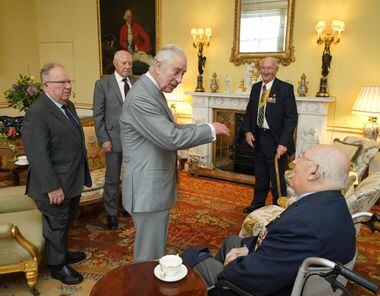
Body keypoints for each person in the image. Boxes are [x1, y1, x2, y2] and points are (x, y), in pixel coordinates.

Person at [181, 144, 356, 296]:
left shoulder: (303, 223)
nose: (294, 162)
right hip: (284, 271)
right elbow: (281, 247)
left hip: (265, 288)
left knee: (194, 256)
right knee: (232, 243)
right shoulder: (332, 202)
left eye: (302, 157)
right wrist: (247, 249)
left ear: (314, 171)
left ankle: (213, 287)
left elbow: (252, 277)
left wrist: (234, 266)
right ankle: (211, 288)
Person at [120, 44, 230, 261]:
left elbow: (173, 129)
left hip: (153, 187)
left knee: (154, 249)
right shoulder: (142, 97)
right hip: (146, 189)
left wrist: (206, 126)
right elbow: (171, 138)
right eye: (177, 72)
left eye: (184, 73)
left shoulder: (153, 91)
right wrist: (209, 130)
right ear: (158, 65)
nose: (180, 79)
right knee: (148, 256)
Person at [22, 63, 92, 285]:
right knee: (56, 224)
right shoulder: (38, 113)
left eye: (69, 81)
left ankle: (62, 252)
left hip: (71, 180)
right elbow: (38, 155)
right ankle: (58, 266)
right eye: (62, 82)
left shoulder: (67, 105)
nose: (68, 86)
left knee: (66, 220)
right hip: (54, 185)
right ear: (45, 86)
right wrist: (52, 186)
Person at [243, 57, 298, 213]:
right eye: (263, 68)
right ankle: (257, 205)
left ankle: (278, 208)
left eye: (270, 68)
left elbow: (291, 119)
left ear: (276, 69)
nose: (266, 71)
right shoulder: (255, 88)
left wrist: (283, 143)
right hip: (258, 138)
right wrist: (248, 131)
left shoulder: (285, 89)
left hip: (276, 141)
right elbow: (249, 113)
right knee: (260, 175)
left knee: (277, 177)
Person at [93, 50, 137, 230]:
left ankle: (127, 207)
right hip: (113, 139)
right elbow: (98, 115)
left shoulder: (137, 83)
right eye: (124, 63)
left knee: (131, 177)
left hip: (135, 140)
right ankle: (111, 213)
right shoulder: (103, 84)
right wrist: (103, 139)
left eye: (130, 63)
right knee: (112, 178)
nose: (127, 67)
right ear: (115, 63)